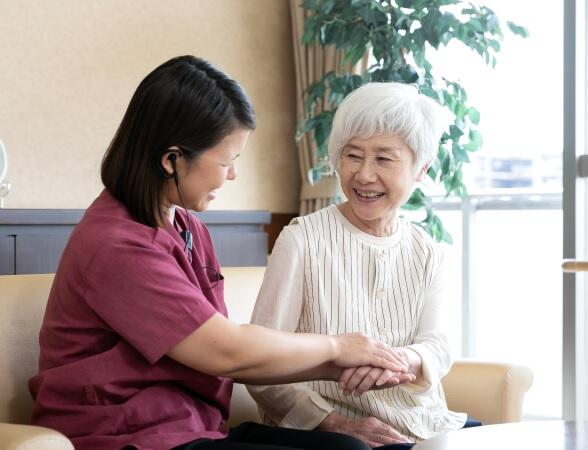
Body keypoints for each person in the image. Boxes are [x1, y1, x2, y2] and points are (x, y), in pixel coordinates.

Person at [28, 56, 409, 450]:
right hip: (124, 436)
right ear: (171, 159)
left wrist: (343, 365)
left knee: (359, 448)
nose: (232, 175)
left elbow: (228, 354)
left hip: (190, 431)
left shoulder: (187, 228)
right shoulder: (114, 244)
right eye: (227, 161)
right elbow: (227, 352)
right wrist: (339, 348)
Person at [248, 82, 479, 449]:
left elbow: (437, 346)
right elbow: (259, 362)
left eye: (384, 159)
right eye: (353, 155)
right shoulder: (302, 239)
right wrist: (331, 421)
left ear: (421, 169)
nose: (364, 175)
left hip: (420, 421)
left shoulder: (429, 251)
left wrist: (398, 359)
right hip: (326, 426)